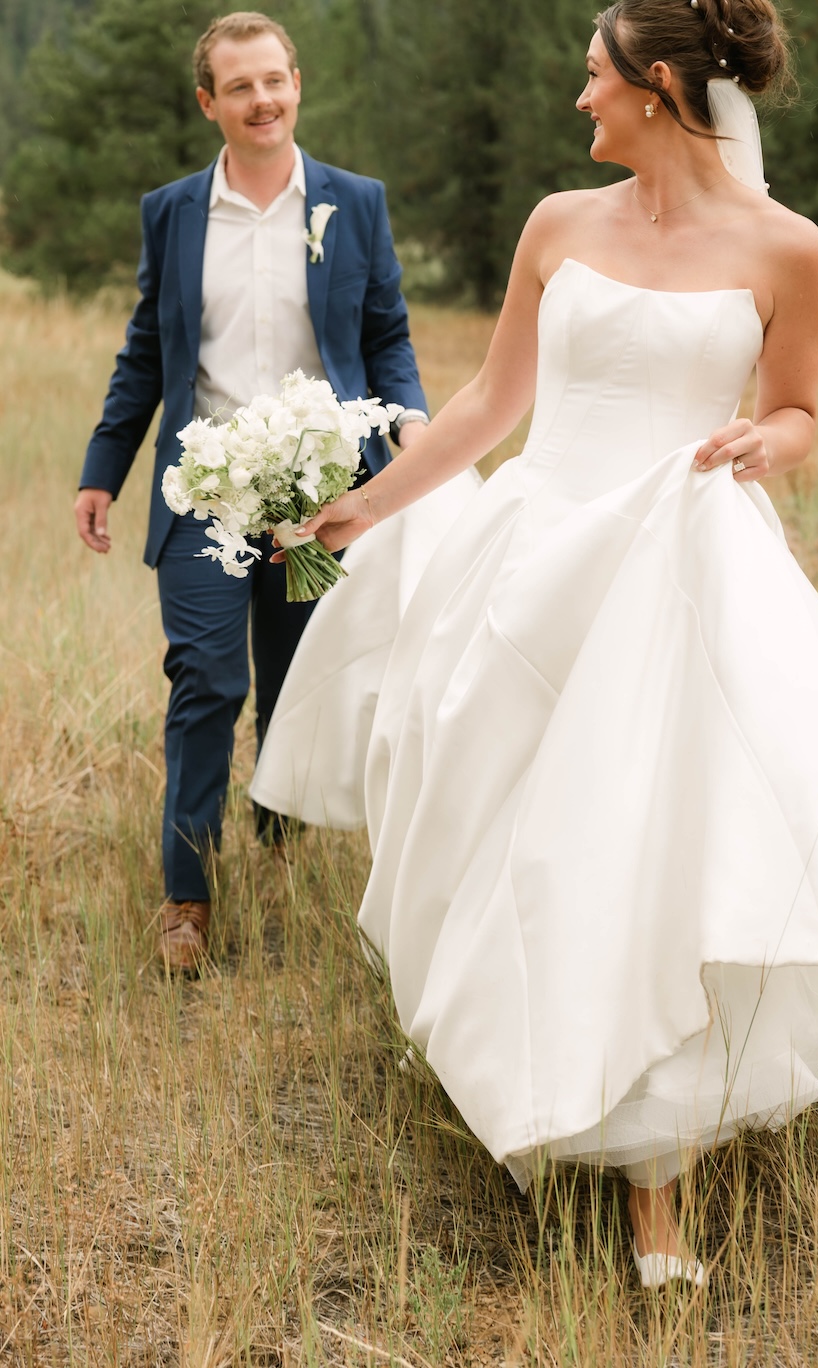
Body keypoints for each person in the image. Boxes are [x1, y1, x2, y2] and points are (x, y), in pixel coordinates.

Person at [253, 0, 818, 1288]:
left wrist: (756, 446)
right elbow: (499, 401)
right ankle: (507, 1045)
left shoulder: (788, 248)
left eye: (594, 77)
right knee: (501, 814)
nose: (579, 100)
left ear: (658, 84)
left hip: (679, 558)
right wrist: (368, 506)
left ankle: (651, 1191)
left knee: (643, 845)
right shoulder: (560, 225)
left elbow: (796, 414)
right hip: (537, 549)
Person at [74, 12, 430, 971]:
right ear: (210, 104)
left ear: (297, 84)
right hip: (208, 491)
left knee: (295, 681)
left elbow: (387, 333)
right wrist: (104, 468)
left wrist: (410, 420)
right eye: (240, 86)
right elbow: (148, 351)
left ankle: (279, 857)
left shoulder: (353, 203)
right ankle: (187, 896)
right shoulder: (174, 212)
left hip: (322, 495)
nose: (262, 99)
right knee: (206, 679)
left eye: (274, 80)